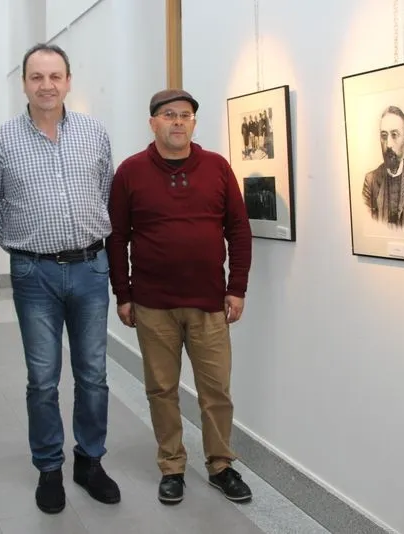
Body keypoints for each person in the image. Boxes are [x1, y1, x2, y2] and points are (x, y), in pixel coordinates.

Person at [0, 43, 120, 515]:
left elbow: (103, 195)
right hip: (33, 272)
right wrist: (26, 249)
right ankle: (48, 468)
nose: (46, 85)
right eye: (37, 77)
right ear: (23, 82)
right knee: (42, 379)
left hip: (90, 268)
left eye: (54, 76)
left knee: (94, 375)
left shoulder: (95, 134)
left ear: (68, 80)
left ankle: (90, 461)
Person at [106, 89, 254, 505]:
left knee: (216, 392)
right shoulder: (130, 172)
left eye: (185, 115)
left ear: (193, 122)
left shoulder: (217, 168)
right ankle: (172, 466)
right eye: (168, 115)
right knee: (161, 390)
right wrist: (124, 293)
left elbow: (238, 232)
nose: (177, 122)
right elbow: (117, 239)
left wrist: (236, 287)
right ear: (152, 123)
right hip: (153, 305)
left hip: (209, 303)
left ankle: (221, 465)